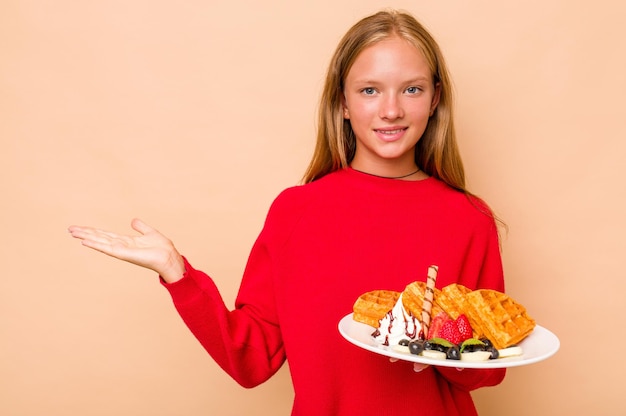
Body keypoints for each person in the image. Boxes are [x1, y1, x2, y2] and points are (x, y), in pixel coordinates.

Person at [69, 9, 506, 415]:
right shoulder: (297, 211)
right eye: (369, 90)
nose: (391, 110)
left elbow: (488, 369)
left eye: (412, 89)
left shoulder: (468, 219)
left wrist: (436, 347)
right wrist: (177, 274)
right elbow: (250, 360)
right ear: (342, 102)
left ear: (434, 99)